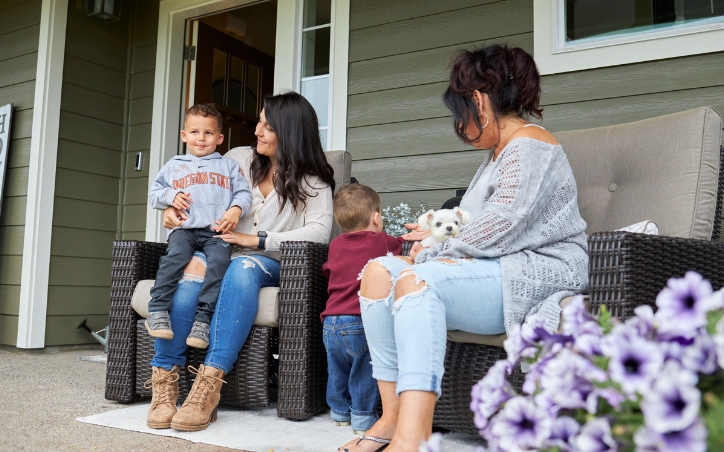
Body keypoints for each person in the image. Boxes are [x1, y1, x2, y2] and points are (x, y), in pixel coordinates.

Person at [338, 45, 589, 452]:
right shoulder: (496, 155)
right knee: (377, 272)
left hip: (532, 270)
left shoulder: (530, 145)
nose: (459, 125)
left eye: (460, 113)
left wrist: (429, 253)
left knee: (417, 281)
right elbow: (468, 227)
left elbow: (500, 226)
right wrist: (430, 240)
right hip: (490, 267)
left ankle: (413, 438)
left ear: (479, 100)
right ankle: (392, 414)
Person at [145, 92, 336, 432]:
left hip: (268, 261)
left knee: (242, 268)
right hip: (218, 250)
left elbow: (320, 232)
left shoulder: (313, 179)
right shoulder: (237, 159)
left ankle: (210, 384)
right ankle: (165, 382)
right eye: (259, 122)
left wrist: (258, 240)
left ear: (289, 131)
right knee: (188, 281)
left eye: (266, 125)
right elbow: (196, 195)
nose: (257, 131)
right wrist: (174, 212)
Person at [145, 104, 252, 349]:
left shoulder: (228, 166)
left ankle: (202, 322)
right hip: (184, 230)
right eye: (194, 132)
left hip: (217, 232)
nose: (201, 139)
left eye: (208, 133)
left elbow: (244, 194)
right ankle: (158, 310)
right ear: (184, 135)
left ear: (219, 138)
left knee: (218, 266)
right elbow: (154, 194)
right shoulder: (175, 164)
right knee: (175, 258)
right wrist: (171, 197)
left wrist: (235, 209)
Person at [321, 184, 407, 435]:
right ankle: (362, 418)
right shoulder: (384, 241)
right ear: (376, 218)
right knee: (364, 371)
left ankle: (339, 413)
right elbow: (399, 250)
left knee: (336, 369)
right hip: (360, 320)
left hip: (331, 321)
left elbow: (327, 269)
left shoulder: (336, 244)